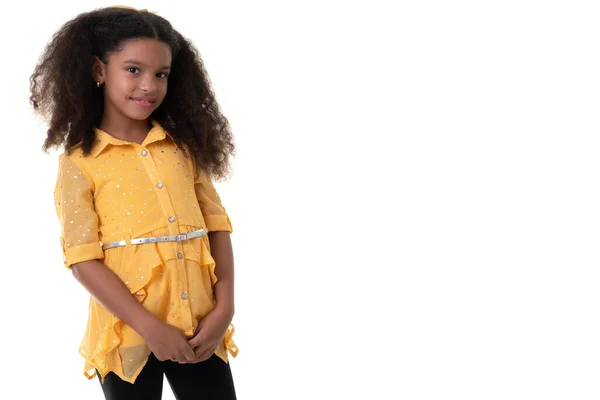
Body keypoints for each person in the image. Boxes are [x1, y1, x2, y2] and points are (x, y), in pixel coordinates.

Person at [29, 6, 238, 399]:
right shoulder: (79, 163)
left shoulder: (183, 150)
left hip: (201, 327)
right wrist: (149, 326)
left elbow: (217, 226)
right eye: (133, 70)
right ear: (98, 71)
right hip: (127, 333)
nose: (149, 85)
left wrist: (224, 307)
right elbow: (83, 258)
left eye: (161, 74)